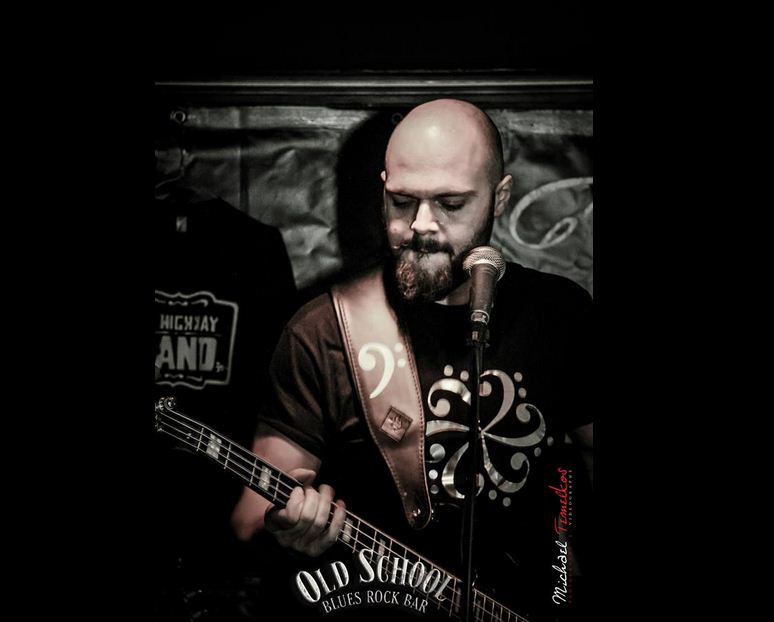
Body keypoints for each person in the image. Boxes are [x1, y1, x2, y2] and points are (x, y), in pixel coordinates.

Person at [231, 98, 593, 621]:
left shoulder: (561, 315)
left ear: (500, 196)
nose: (421, 224)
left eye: (451, 202)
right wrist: (288, 529)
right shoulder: (323, 331)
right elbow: (250, 519)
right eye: (402, 201)